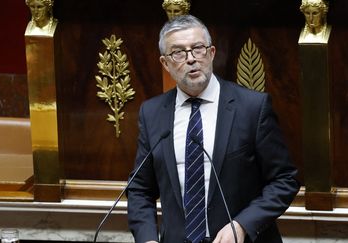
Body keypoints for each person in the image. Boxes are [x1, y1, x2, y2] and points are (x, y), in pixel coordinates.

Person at [127, 15, 300, 243]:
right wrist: (147, 238)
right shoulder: (152, 113)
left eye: (198, 49)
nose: (191, 59)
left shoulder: (251, 108)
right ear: (165, 63)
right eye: (178, 52)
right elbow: (139, 188)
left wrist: (242, 225)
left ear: (211, 53)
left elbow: (285, 179)